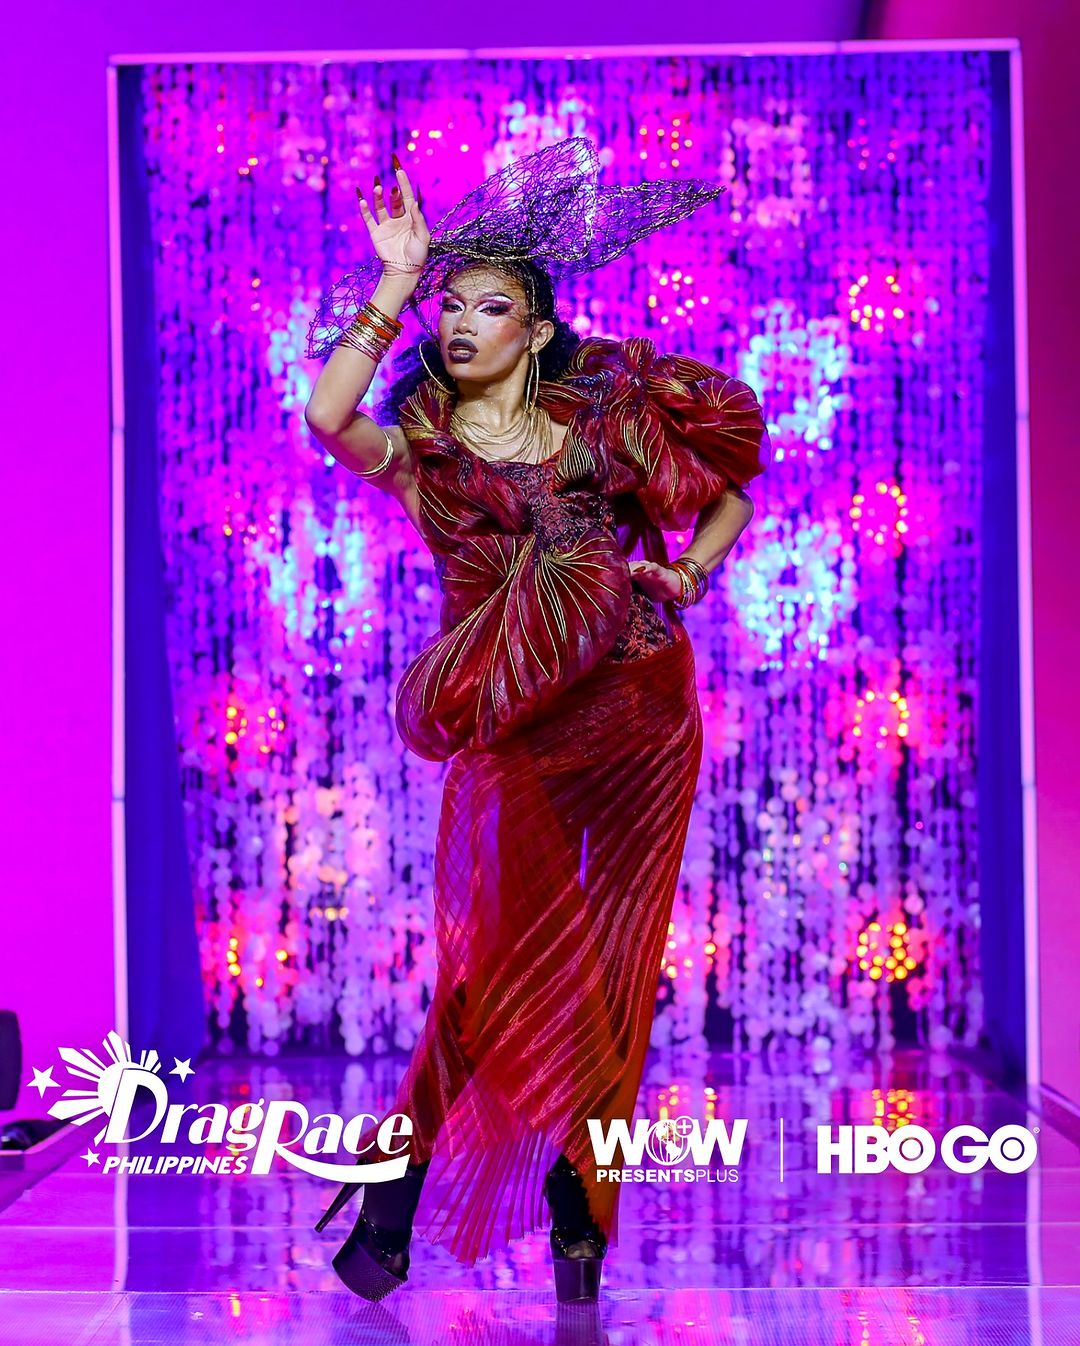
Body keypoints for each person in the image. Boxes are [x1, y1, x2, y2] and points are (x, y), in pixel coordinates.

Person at [303, 140, 770, 1306]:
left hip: (641, 711)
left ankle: (570, 1208)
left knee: (608, 965)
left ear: (537, 329)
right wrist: (395, 278)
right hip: (512, 725)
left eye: (489, 306)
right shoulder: (421, 452)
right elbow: (325, 412)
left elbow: (724, 503)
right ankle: (406, 1180)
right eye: (450, 307)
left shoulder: (602, 426)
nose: (462, 324)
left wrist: (687, 575)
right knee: (492, 970)